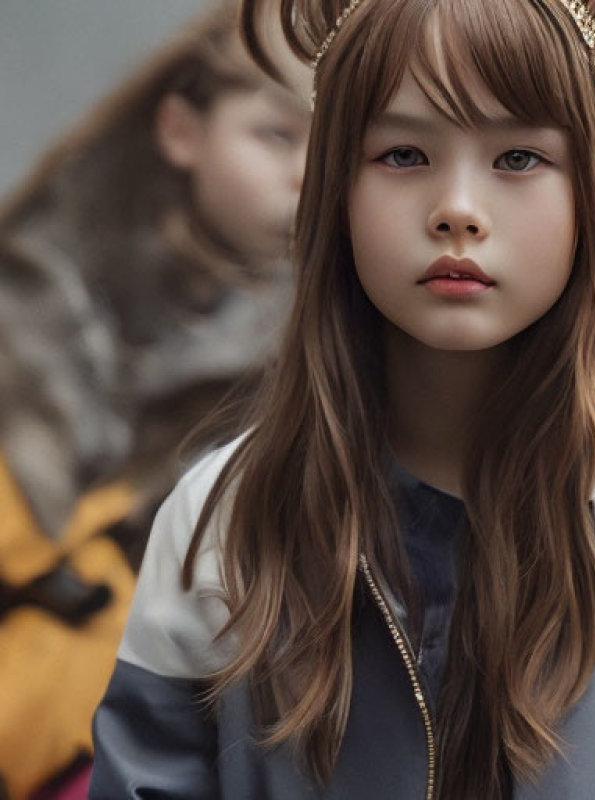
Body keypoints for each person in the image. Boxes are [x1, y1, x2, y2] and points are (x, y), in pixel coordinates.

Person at [90, 0, 595, 797]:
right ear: (330, 189)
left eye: (518, 158)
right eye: (404, 152)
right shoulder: (220, 521)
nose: (458, 210)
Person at [0, 3, 309, 796]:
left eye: (339, 144)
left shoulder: (322, 368)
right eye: (279, 134)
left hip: (104, 747)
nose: (310, 170)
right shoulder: (25, 293)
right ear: (181, 130)